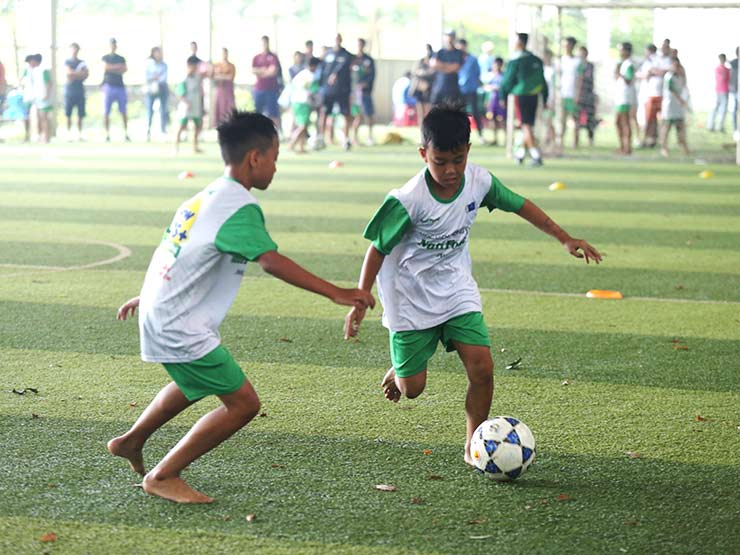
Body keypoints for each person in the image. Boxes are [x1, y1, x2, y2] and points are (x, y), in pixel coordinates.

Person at [109, 110, 375, 504]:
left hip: (163, 311)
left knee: (193, 382)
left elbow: (174, 253)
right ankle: (163, 475)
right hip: (178, 323)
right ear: (255, 157)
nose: (275, 167)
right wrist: (335, 292)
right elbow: (270, 260)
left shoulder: (203, 197)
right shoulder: (238, 205)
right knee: (243, 404)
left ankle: (131, 441)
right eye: (275, 157)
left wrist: (148, 296)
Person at [343, 104, 600, 469]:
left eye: (458, 160)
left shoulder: (479, 181)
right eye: (440, 161)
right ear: (423, 155)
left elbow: (520, 205)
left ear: (468, 152)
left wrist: (564, 238)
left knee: (482, 369)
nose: (450, 171)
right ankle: (400, 371)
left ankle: (473, 446)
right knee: (411, 390)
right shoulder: (407, 200)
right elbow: (376, 249)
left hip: (455, 288)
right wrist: (360, 298)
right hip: (409, 298)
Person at [499, 32, 548, 166]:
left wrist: (502, 96)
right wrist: (545, 97)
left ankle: (536, 155)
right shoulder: (536, 60)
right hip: (535, 96)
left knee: (525, 126)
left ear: (519, 43)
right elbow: (543, 82)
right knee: (527, 125)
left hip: (521, 96)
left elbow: (507, 81)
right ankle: (520, 154)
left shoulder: (515, 61)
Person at [318, 34, 353, 151]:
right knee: (324, 113)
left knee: (346, 114)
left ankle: (346, 139)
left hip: (342, 91)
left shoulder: (346, 55)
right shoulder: (327, 54)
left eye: (338, 39)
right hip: (328, 91)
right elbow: (322, 71)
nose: (337, 41)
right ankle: (321, 138)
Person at [639, 43, 671, 148]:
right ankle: (649, 139)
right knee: (649, 119)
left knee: (661, 119)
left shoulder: (662, 60)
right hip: (649, 94)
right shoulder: (648, 62)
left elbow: (664, 71)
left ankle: (660, 140)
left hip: (661, 95)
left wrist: (654, 71)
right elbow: (644, 73)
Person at [456, 38, 485, 145]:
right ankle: (461, 136)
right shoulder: (455, 59)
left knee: (475, 112)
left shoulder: (472, 59)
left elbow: (477, 73)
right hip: (459, 91)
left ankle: (481, 135)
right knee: (460, 114)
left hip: (471, 89)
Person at [289, 56, 320, 153]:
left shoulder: (300, 74)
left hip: (295, 101)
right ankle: (292, 143)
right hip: (304, 102)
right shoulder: (312, 76)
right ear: (314, 66)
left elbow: (292, 86)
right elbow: (313, 91)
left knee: (303, 125)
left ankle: (301, 147)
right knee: (302, 126)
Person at [660, 57, 689, 157]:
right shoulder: (669, 77)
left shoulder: (680, 77)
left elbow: (684, 88)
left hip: (678, 107)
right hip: (669, 105)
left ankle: (683, 146)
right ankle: (664, 148)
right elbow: (671, 90)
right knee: (666, 127)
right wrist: (681, 100)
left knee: (680, 126)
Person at [175, 56, 205, 153]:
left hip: (196, 105)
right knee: (182, 126)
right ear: (189, 65)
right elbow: (179, 93)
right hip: (186, 106)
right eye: (195, 66)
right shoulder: (183, 78)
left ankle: (195, 147)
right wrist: (186, 102)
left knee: (198, 126)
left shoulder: (198, 76)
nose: (196, 68)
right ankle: (176, 147)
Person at [102, 38, 129, 142]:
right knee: (106, 112)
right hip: (109, 86)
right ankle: (107, 134)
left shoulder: (121, 58)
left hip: (120, 87)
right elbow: (106, 68)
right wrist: (117, 68)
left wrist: (113, 68)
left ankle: (126, 133)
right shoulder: (105, 57)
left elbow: (124, 69)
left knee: (123, 111)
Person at [252, 36, 282, 130]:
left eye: (266, 43)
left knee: (273, 112)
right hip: (259, 89)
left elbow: (273, 71)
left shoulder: (273, 57)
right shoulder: (257, 57)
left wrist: (261, 72)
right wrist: (265, 70)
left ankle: (276, 132)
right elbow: (253, 70)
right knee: (257, 112)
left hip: (271, 89)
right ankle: (256, 132)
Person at [351, 38, 376, 146]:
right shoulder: (352, 59)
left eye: (361, 44)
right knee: (357, 115)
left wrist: (365, 84)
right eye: (358, 44)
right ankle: (354, 138)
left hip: (365, 92)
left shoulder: (368, 60)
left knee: (368, 114)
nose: (360, 46)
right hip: (355, 93)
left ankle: (370, 137)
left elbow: (372, 75)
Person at [430, 30, 463, 106]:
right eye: (447, 36)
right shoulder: (440, 52)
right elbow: (433, 65)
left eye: (450, 37)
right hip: (438, 88)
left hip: (452, 89)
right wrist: (448, 66)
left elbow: (455, 67)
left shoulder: (458, 53)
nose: (449, 39)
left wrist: (441, 66)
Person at [559, 37, 581, 150]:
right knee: (561, 119)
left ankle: (575, 142)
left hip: (573, 94)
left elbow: (579, 79)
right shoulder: (560, 60)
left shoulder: (577, 61)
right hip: (562, 94)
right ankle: (561, 141)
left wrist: (577, 94)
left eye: (568, 45)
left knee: (575, 119)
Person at [24, 54, 52, 143]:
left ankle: (46, 137)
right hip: (32, 96)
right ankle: (37, 136)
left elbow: (49, 83)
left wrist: (46, 94)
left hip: (42, 96)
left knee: (43, 117)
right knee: (35, 116)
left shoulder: (43, 70)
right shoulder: (28, 71)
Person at [614, 42, 636, 156]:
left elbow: (629, 80)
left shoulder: (629, 64)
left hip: (625, 97)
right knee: (618, 122)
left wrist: (619, 73)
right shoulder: (622, 64)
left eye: (622, 50)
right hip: (620, 97)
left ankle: (627, 147)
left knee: (624, 122)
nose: (620, 52)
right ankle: (622, 146)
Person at [64, 42, 89, 140]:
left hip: (80, 91)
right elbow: (68, 74)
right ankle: (68, 134)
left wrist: (74, 74)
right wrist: (79, 73)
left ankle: (79, 134)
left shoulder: (82, 62)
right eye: (72, 49)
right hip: (70, 91)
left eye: (76, 49)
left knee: (80, 114)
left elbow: (86, 74)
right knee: (68, 114)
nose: (74, 51)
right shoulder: (67, 62)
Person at [144, 46, 168, 141]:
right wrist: (154, 77)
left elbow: (163, 78)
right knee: (150, 111)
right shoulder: (149, 64)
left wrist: (155, 77)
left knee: (163, 110)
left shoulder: (164, 65)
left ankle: (163, 131)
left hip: (162, 88)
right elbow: (148, 77)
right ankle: (148, 131)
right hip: (151, 89)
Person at [576, 46, 598, 147]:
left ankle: (590, 138)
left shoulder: (590, 66)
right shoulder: (577, 65)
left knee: (590, 118)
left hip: (588, 95)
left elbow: (589, 79)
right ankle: (576, 140)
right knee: (577, 118)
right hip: (579, 96)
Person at [409, 44, 434, 127]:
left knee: (429, 112)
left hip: (429, 90)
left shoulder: (433, 62)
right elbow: (414, 73)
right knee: (420, 113)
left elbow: (434, 74)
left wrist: (424, 75)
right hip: (419, 90)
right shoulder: (419, 62)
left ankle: (429, 131)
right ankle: (422, 131)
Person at [484, 57, 506, 146]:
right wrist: (487, 100)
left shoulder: (504, 76)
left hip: (500, 100)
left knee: (502, 120)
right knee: (492, 119)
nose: (495, 67)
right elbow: (487, 88)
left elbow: (503, 88)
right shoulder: (491, 76)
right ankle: (495, 138)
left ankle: (506, 139)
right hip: (492, 100)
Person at [212, 47, 236, 127]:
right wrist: (224, 76)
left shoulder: (231, 66)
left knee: (229, 111)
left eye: (225, 53)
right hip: (219, 90)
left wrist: (220, 76)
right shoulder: (216, 65)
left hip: (228, 91)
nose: (224, 55)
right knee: (219, 111)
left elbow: (230, 77)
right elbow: (213, 76)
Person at [707, 53, 730, 133]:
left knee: (722, 110)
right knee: (717, 109)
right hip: (720, 91)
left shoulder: (726, 69)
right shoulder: (720, 69)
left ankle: (719, 126)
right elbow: (722, 78)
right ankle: (711, 125)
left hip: (724, 90)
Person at [729, 47, 738, 138]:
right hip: (735, 90)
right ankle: (736, 129)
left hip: (734, 89)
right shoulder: (734, 63)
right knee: (735, 110)